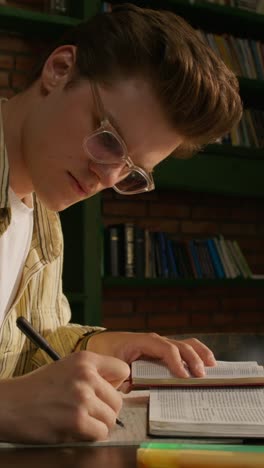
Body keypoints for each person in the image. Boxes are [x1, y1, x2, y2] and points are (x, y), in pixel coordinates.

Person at [0, 3, 242, 443]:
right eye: (109, 140)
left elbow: (26, 345)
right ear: (59, 70)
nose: (106, 179)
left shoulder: (43, 216)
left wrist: (105, 345)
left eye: (131, 170)